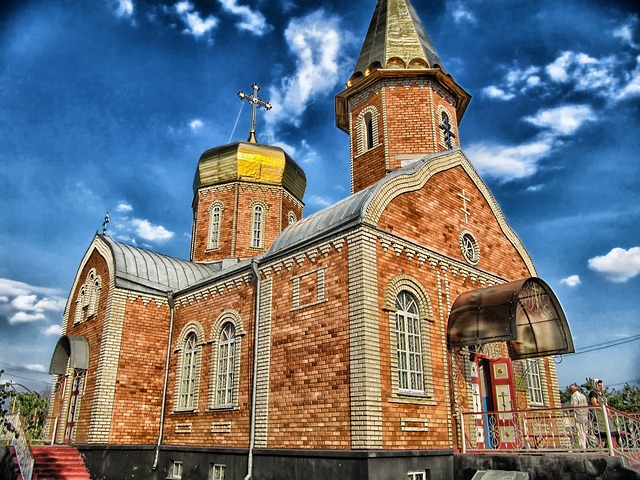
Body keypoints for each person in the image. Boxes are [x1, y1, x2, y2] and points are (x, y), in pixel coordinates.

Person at [589, 378, 619, 448]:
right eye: (599, 386)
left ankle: (609, 444)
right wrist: (603, 409)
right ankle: (600, 444)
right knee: (600, 429)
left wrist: (609, 412)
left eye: (601, 386)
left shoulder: (602, 393)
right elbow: (594, 402)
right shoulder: (593, 393)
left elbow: (606, 403)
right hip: (598, 412)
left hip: (604, 412)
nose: (600, 387)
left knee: (609, 427)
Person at [570, 383, 588, 449]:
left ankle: (582, 447)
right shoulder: (583, 396)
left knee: (580, 432)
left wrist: (569, 411)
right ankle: (585, 446)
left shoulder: (574, 396)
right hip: (585, 415)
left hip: (578, 416)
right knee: (584, 432)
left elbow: (573, 407)